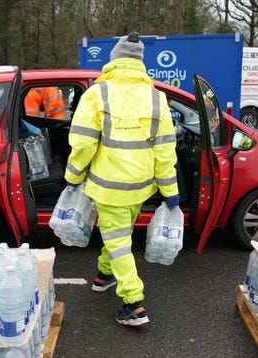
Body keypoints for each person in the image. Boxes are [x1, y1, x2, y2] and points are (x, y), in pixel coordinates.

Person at [64, 32, 179, 327]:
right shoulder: (157, 98)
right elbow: (165, 149)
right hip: (140, 188)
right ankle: (104, 275)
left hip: (107, 187)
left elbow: (83, 144)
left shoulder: (97, 94)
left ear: (113, 60)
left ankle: (133, 303)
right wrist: (169, 189)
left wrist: (73, 176)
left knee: (117, 243)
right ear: (139, 63)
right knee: (119, 235)